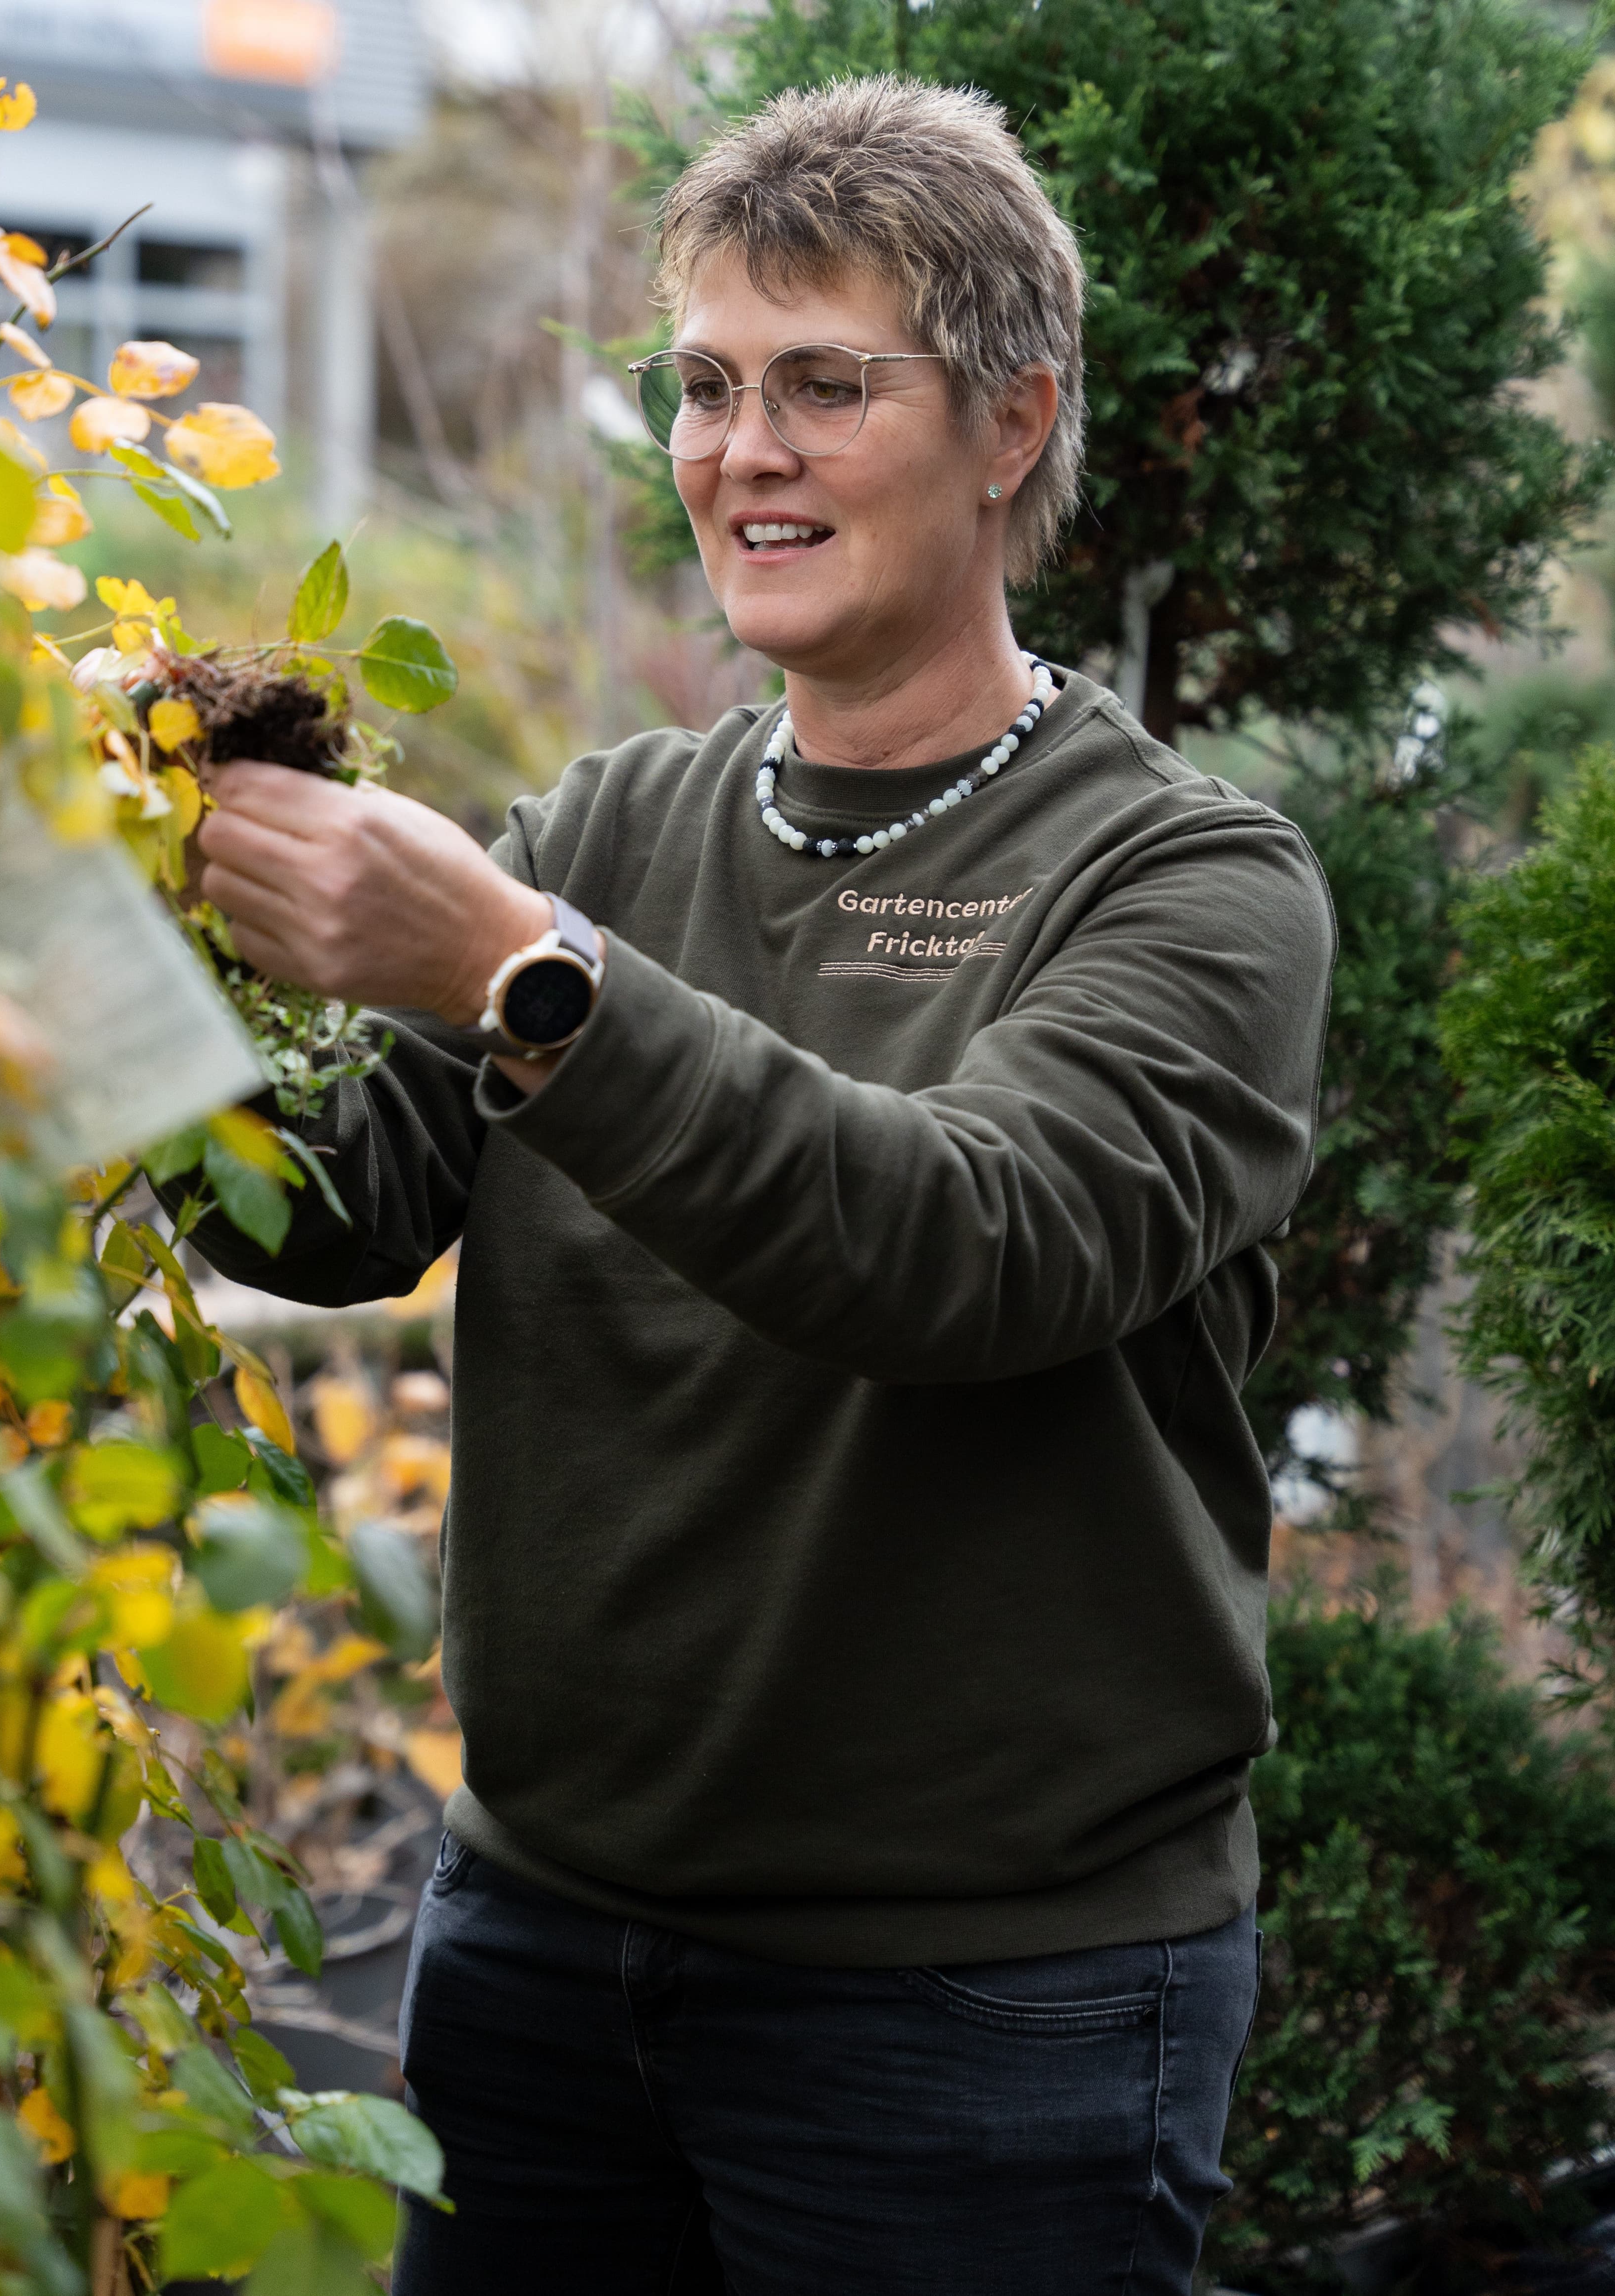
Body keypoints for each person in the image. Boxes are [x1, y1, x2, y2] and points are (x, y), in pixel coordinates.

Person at [180, 74, 1335, 2296]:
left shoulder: (1192, 880)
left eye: (826, 385)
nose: (741, 452)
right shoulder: (611, 823)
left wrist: (526, 977)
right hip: (533, 1944)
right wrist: (86, 920)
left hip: (987, 2004)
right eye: (702, 389)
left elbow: (964, 1245)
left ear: (1013, 423)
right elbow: (317, 1212)